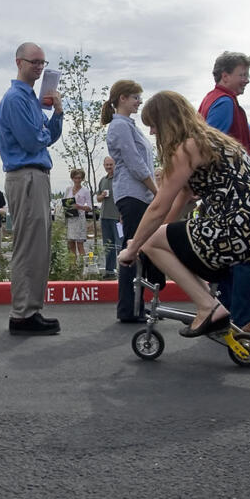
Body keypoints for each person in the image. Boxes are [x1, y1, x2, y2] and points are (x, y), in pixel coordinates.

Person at [117, 91, 250, 337]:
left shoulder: (187, 149)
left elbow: (159, 206)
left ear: (167, 123)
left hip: (235, 231)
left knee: (149, 241)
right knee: (155, 240)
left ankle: (208, 307)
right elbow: (182, 198)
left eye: (154, 126)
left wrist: (135, 247)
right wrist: (156, 238)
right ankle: (213, 306)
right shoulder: (212, 140)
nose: (152, 133)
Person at [200, 51, 250, 338]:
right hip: (237, 193)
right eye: (242, 74)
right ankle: (241, 322)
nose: (247, 80)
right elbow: (210, 144)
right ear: (225, 75)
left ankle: (226, 318)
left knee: (232, 258)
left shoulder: (212, 100)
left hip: (226, 193)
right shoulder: (224, 102)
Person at [0, 42, 63, 336]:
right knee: (28, 246)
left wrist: (57, 113)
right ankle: (22, 313)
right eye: (33, 62)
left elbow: (46, 136)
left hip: (35, 175)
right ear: (18, 62)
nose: (38, 67)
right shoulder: (16, 99)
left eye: (42, 62)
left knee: (38, 247)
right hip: (25, 176)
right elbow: (32, 140)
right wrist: (46, 129)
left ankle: (30, 309)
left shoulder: (31, 100)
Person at [103, 79, 160, 323]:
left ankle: (138, 303)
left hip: (141, 195)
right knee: (133, 250)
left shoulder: (130, 125)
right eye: (136, 97)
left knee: (142, 251)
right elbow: (136, 163)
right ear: (122, 98)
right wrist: (157, 191)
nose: (139, 102)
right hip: (133, 195)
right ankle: (128, 308)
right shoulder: (119, 127)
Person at [95, 158, 119, 280]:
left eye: (111, 164)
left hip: (118, 218)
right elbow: (98, 199)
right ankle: (109, 271)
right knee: (108, 245)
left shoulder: (119, 179)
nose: (109, 167)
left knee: (120, 245)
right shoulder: (103, 180)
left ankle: (123, 271)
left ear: (115, 165)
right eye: (107, 165)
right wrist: (102, 196)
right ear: (104, 166)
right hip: (105, 217)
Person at [63, 168, 93, 259]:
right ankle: (73, 268)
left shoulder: (85, 191)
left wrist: (79, 207)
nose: (77, 180)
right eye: (75, 178)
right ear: (72, 178)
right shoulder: (68, 189)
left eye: (79, 178)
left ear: (82, 179)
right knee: (71, 245)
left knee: (80, 246)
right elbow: (64, 202)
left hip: (79, 220)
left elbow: (90, 208)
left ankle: (83, 268)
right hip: (70, 219)